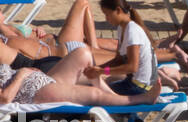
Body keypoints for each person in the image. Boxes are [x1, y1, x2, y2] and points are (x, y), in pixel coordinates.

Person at [0, 46, 161, 107]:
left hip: (39, 78)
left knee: (82, 53)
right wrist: (21, 75)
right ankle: (143, 99)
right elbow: (5, 98)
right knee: (93, 94)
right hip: (32, 91)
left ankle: (114, 98)